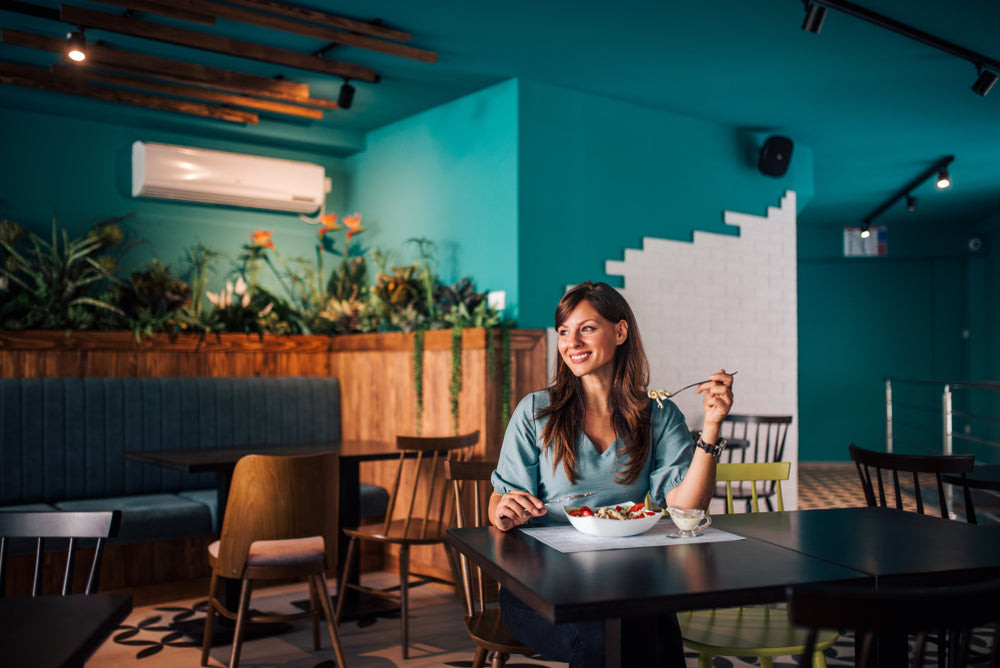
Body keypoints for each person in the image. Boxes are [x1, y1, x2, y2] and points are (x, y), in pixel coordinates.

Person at [489, 280, 735, 668]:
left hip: (628, 577)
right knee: (614, 635)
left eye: (586, 328)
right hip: (538, 585)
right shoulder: (535, 411)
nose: (572, 342)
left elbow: (686, 507)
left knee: (648, 629)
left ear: (620, 332)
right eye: (564, 332)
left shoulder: (657, 413)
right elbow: (501, 503)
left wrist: (711, 427)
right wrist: (503, 508)